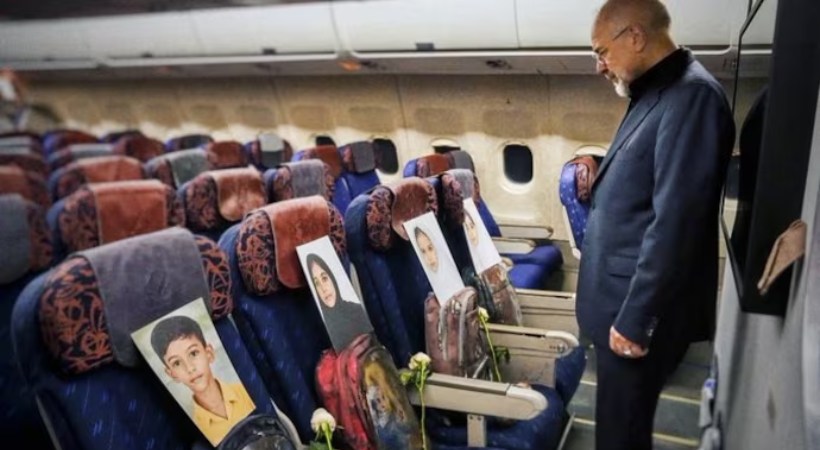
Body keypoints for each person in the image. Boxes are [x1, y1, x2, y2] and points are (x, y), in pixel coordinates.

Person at [576, 1, 735, 449]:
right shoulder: (656, 91)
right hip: (620, 305)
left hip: (637, 313)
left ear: (635, 37)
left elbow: (677, 224)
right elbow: (647, 182)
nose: (599, 66)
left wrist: (636, 320)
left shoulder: (693, 98)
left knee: (621, 436)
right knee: (618, 428)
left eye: (601, 52)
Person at [150, 315, 256, 445]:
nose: (190, 368)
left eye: (193, 353)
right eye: (177, 363)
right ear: (172, 374)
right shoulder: (195, 430)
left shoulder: (247, 391)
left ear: (209, 353)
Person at [306, 253, 372, 350]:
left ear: (332, 278)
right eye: (316, 284)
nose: (323, 289)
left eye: (324, 278)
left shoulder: (354, 309)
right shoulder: (315, 327)